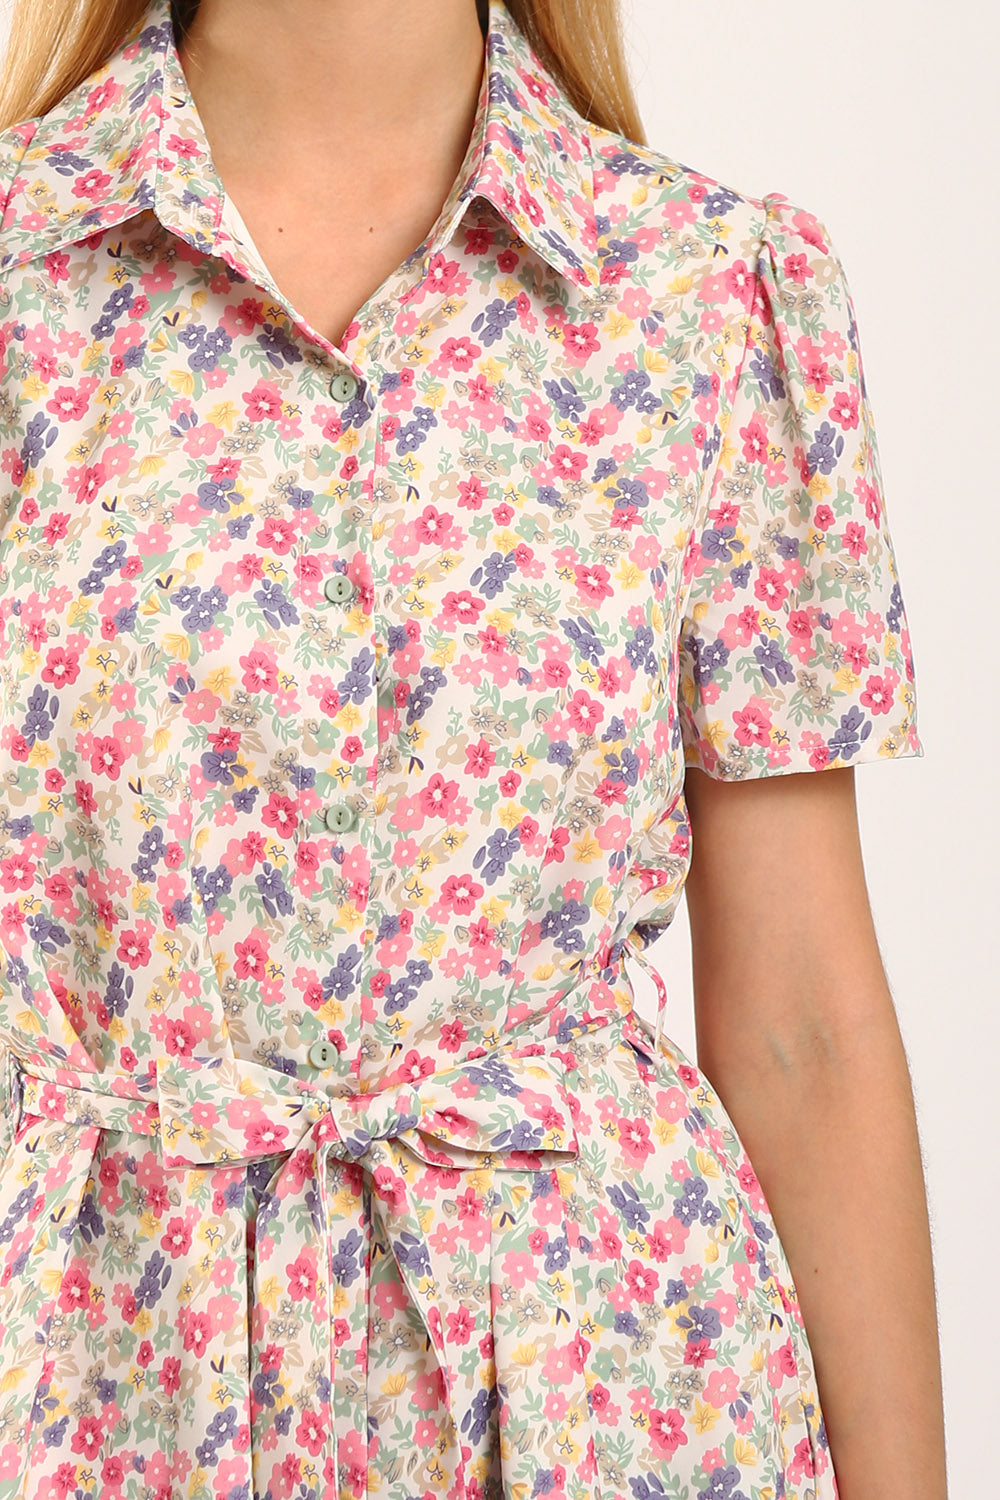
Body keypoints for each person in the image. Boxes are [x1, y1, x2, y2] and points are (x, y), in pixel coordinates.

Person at [0, 1, 947, 1498]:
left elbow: (802, 1028)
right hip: (100, 1392)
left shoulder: (703, 293)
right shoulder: (24, 279)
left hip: (600, 1401)